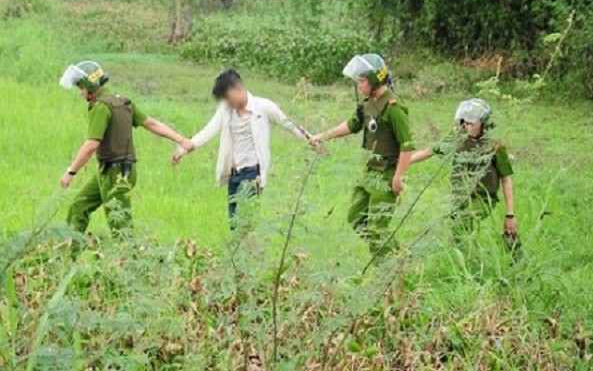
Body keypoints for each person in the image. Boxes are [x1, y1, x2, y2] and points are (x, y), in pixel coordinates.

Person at [59, 61, 195, 236]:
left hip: (116, 174)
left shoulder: (100, 106)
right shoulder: (123, 101)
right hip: (113, 171)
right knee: (79, 205)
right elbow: (151, 123)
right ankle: (69, 254)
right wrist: (181, 139)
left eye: (81, 88)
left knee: (121, 226)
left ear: (89, 86)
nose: (80, 93)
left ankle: (131, 259)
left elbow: (91, 145)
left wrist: (71, 172)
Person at [172, 69, 314, 229]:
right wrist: (185, 148)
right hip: (234, 174)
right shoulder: (226, 110)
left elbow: (289, 124)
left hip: (253, 174)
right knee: (235, 225)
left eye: (228, 98)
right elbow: (209, 130)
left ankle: (253, 252)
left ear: (238, 89)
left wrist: (312, 141)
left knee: (243, 222)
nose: (227, 102)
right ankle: (250, 253)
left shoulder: (263, 106)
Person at [311, 54, 414, 258]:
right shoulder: (368, 103)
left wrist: (398, 177)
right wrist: (322, 137)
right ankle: (399, 256)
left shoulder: (393, 107)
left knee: (377, 230)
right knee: (356, 218)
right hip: (368, 172)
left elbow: (407, 145)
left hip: (385, 175)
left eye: (362, 80)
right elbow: (351, 125)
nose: (359, 85)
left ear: (375, 80)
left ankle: (388, 271)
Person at [410, 98, 521, 255]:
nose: (467, 127)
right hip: (459, 195)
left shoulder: (494, 144)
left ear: (482, 124)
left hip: (482, 197)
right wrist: (402, 163)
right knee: (458, 234)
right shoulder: (458, 136)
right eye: (465, 123)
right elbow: (430, 151)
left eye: (471, 124)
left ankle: (471, 264)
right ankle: (464, 264)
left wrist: (510, 214)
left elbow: (506, 178)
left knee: (464, 221)